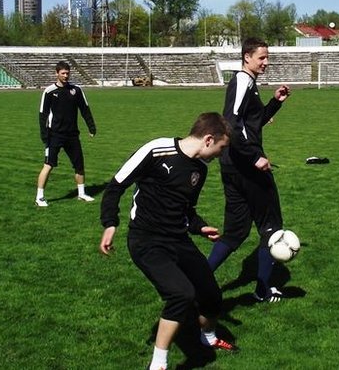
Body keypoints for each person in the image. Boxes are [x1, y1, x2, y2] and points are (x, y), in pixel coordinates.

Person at [99, 112, 238, 370]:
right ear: (209, 139)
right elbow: (116, 185)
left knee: (211, 295)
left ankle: (207, 338)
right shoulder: (156, 150)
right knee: (181, 294)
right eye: (220, 148)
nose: (220, 156)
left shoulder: (199, 170)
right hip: (146, 240)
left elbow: (186, 210)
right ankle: (159, 364)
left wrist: (199, 227)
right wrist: (110, 223)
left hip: (178, 239)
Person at [207, 37, 291, 303]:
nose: (266, 63)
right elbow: (230, 123)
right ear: (247, 57)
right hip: (246, 166)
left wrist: (275, 102)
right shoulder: (242, 81)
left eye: (267, 58)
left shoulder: (248, 83)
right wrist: (255, 156)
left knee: (235, 232)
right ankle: (263, 289)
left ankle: (199, 280)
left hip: (232, 165)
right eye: (261, 58)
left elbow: (251, 124)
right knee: (272, 227)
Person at [35, 60, 96, 207]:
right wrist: (44, 135)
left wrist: (91, 127)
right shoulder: (49, 92)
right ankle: (39, 197)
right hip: (54, 134)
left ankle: (81, 194)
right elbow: (42, 114)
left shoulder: (76, 90)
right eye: (63, 73)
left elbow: (85, 109)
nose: (66, 76)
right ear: (56, 74)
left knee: (79, 165)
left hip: (72, 135)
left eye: (68, 73)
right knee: (48, 165)